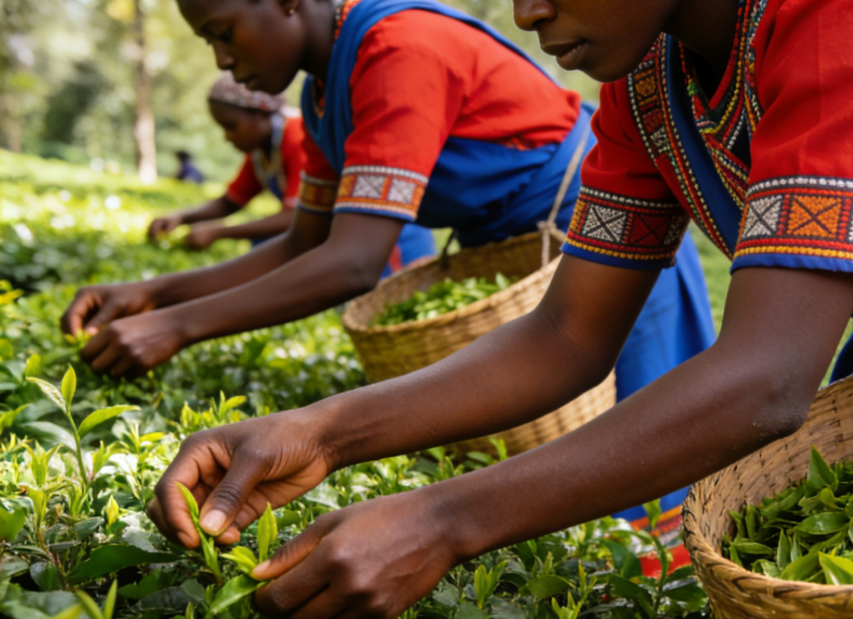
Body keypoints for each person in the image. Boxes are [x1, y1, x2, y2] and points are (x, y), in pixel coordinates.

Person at [145, 0, 853, 619]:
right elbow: (565, 335)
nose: (527, 13)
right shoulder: (650, 81)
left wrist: (442, 521)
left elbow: (767, 376)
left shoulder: (846, 13)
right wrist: (318, 431)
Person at [68, 0, 713, 534]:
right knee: (570, 459)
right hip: (505, 246)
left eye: (222, 32)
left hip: (601, 229)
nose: (223, 59)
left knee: (659, 442)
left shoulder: (398, 49)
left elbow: (351, 264)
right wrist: (153, 297)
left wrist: (176, 326)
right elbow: (304, 242)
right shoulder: (324, 99)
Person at [150, 73, 306, 250]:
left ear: (260, 114)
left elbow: (298, 216)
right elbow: (231, 201)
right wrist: (181, 217)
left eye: (231, 126)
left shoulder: (297, 137)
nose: (227, 137)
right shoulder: (261, 151)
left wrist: (220, 232)